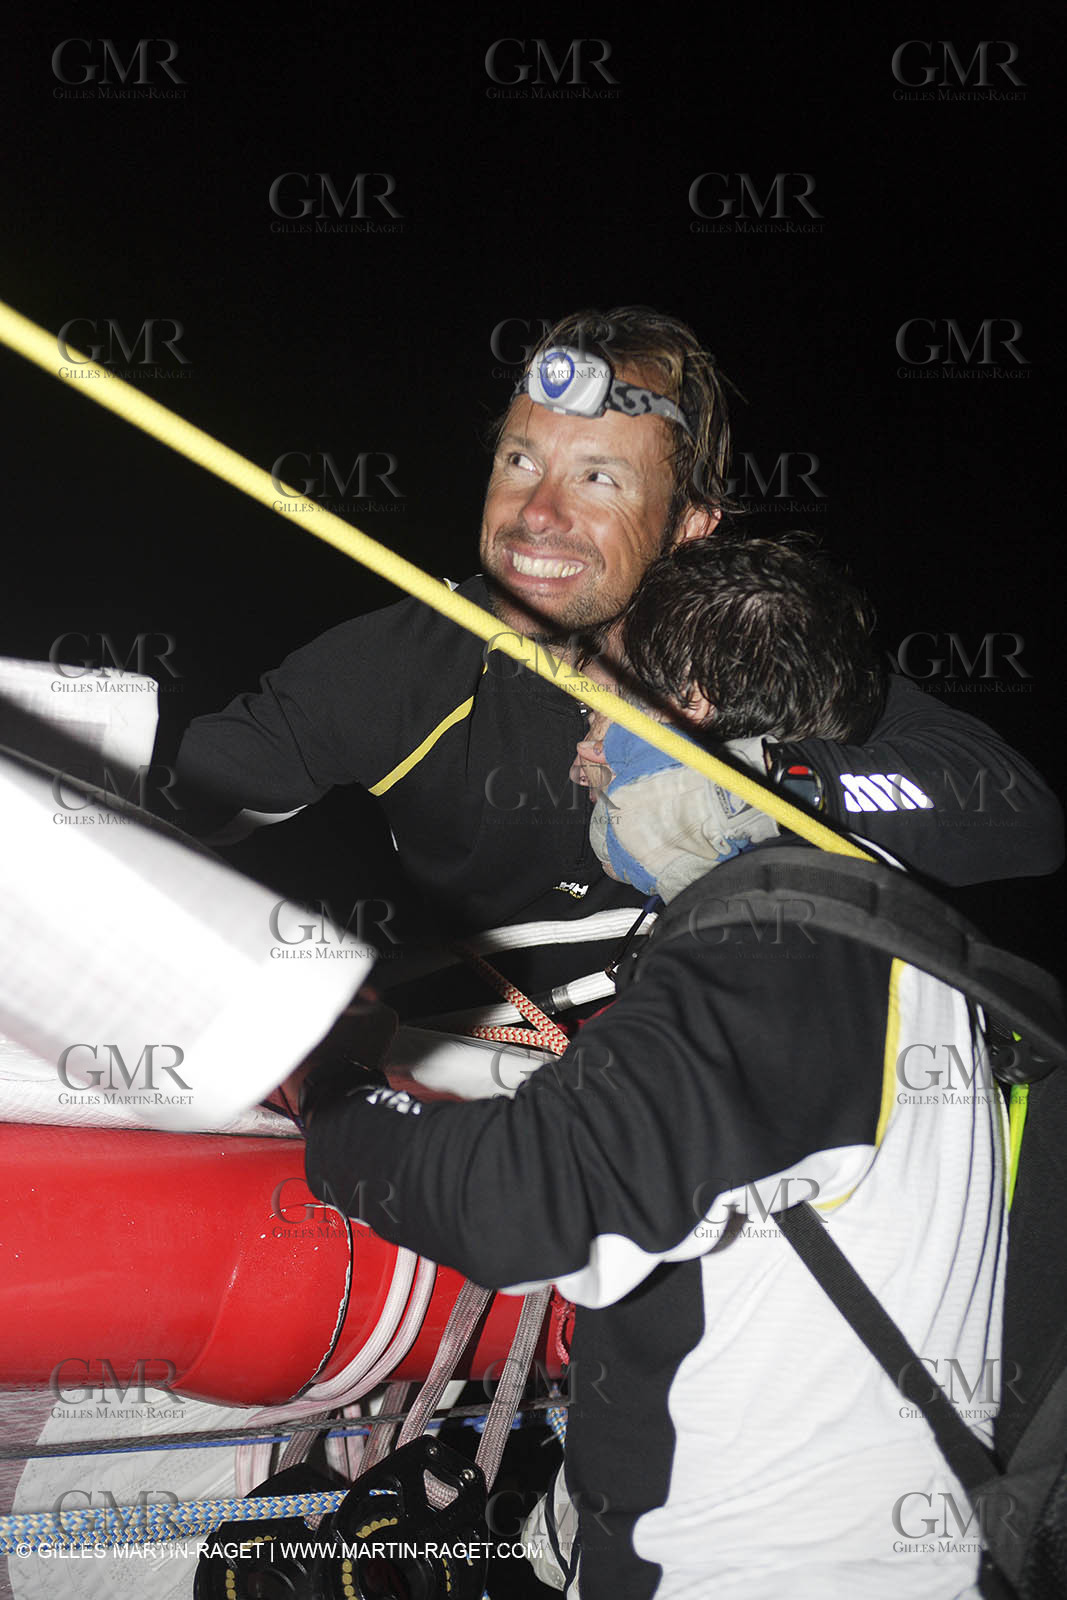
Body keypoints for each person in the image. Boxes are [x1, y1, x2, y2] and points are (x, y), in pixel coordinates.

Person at [296, 534, 1005, 1598]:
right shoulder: (870, 933)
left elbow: (523, 1200)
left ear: (690, 711)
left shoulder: (787, 948)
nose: (579, 757)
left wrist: (332, 1093)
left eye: (594, 717)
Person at [173, 307, 1061, 974]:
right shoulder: (398, 665)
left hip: (746, 1046)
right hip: (499, 1077)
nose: (536, 514)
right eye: (520, 461)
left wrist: (759, 783)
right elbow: (163, 811)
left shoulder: (744, 637)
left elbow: (1016, 815)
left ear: (689, 526)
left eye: (599, 477)